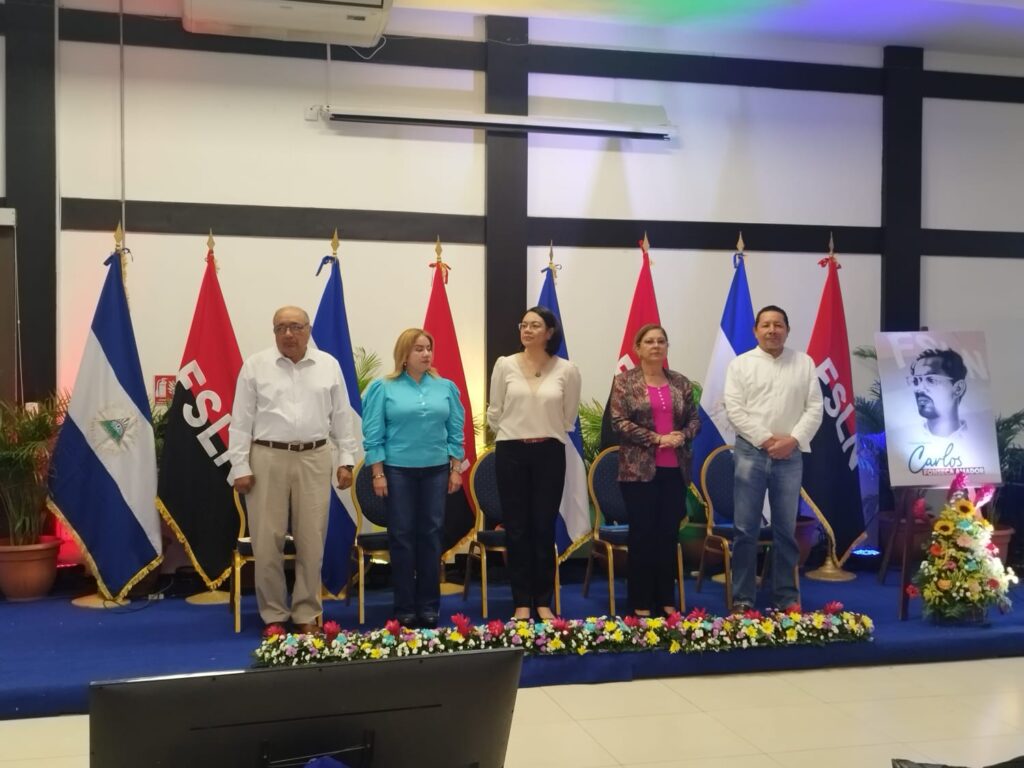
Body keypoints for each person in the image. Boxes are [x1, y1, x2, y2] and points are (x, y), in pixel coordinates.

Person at [227, 306, 358, 633]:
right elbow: (241, 421)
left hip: (315, 457)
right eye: (281, 328)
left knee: (312, 541)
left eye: (296, 327)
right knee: (266, 541)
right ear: (274, 332)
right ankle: (273, 614)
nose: (288, 334)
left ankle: (305, 614)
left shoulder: (328, 365)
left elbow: (342, 417)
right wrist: (240, 465)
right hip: (267, 457)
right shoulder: (255, 366)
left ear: (308, 330)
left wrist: (346, 460)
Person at [361, 328, 465, 629]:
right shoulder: (384, 387)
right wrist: (378, 473)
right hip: (397, 471)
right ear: (404, 355)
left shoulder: (445, 387)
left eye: (428, 348)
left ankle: (429, 605)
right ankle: (404, 606)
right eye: (418, 349)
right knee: (402, 536)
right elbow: (373, 433)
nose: (426, 354)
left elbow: (455, 431)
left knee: (431, 535)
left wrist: (455, 468)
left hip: (436, 470)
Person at [723, 305, 822, 613]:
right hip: (751, 452)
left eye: (778, 325)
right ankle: (743, 599)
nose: (772, 330)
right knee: (745, 529)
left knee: (785, 529)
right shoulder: (740, 364)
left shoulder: (804, 363)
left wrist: (792, 440)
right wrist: (766, 440)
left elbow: (814, 408)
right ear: (755, 331)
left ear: (787, 330)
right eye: (765, 325)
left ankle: (786, 598)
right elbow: (734, 409)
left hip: (790, 454)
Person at [487, 306, 581, 621]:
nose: (527, 330)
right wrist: (516, 432)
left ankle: (542, 600)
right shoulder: (505, 365)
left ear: (549, 332)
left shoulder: (567, 370)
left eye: (535, 325)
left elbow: (568, 417)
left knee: (543, 527)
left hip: (549, 453)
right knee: (516, 529)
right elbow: (495, 411)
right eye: (523, 325)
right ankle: (521, 602)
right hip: (511, 452)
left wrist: (543, 431)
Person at [610, 324, 701, 617]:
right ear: (637, 348)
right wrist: (657, 439)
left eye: (661, 341)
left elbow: (694, 420)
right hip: (638, 472)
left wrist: (682, 435)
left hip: (674, 471)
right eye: (649, 341)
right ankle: (640, 601)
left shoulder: (680, 382)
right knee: (643, 535)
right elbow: (619, 422)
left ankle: (665, 599)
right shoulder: (624, 382)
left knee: (668, 535)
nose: (656, 346)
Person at [908, 348, 968, 439]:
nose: (919, 388)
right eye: (915, 381)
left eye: (931, 380)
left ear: (958, 389)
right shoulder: (909, 437)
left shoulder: (976, 438)